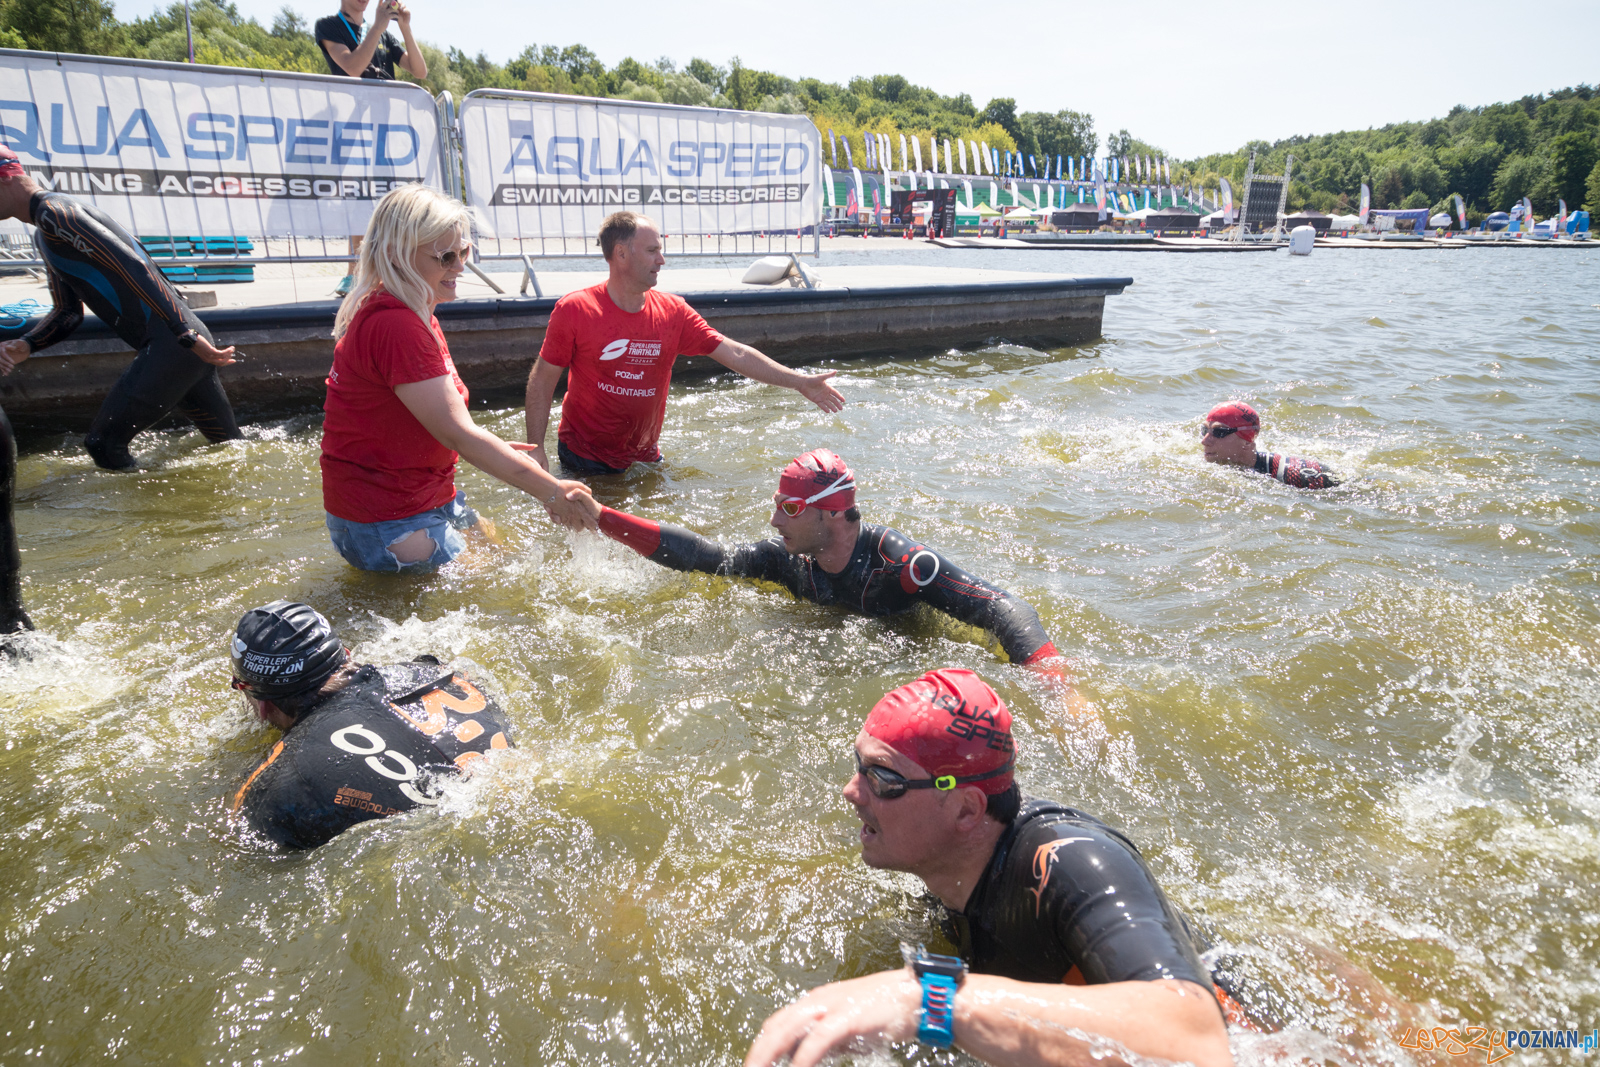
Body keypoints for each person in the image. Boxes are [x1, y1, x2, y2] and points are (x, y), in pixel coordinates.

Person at [745, 669, 1240, 1067]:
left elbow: (1196, 1035)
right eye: (858, 765)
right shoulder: (945, 871)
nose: (852, 792)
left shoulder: (1072, 864)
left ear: (966, 810)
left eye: (883, 778)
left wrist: (930, 1000)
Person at [321, 183, 598, 573]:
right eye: (445, 256)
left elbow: (430, 423)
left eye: (463, 250)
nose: (460, 267)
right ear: (395, 256)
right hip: (385, 518)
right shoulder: (396, 325)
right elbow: (458, 433)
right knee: (497, 590)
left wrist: (496, 448)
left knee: (505, 560)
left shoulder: (417, 314)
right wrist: (553, 494)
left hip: (424, 497)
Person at [596, 448, 1061, 670]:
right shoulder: (785, 559)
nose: (775, 520)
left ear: (835, 514)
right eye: (778, 504)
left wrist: (1054, 679)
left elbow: (1001, 607)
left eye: (791, 509)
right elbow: (704, 555)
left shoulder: (901, 566)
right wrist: (601, 516)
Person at [523, 212, 845, 476]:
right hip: (585, 459)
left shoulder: (673, 311)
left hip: (644, 459)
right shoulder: (576, 309)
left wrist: (799, 382)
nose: (661, 260)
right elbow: (542, 379)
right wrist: (536, 447)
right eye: (652, 251)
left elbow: (733, 352)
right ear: (621, 254)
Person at [0, 145, 243, 471]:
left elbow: (134, 265)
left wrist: (182, 333)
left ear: (5, 178)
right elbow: (68, 313)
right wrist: (26, 345)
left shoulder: (56, 213)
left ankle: (156, 520)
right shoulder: (44, 233)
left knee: (103, 444)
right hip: (176, 343)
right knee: (230, 448)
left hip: (175, 342)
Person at [229, 600, 515, 849]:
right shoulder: (433, 671)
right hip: (508, 797)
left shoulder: (276, 783)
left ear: (262, 703)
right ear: (347, 654)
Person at [315, 0, 428, 296]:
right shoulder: (328, 26)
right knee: (355, 196)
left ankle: (392, 269)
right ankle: (354, 271)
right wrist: (378, 25)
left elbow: (419, 71)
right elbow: (352, 67)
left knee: (389, 199)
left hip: (384, 127)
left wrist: (404, 27)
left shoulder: (384, 33)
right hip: (350, 123)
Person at [1201, 401, 1340, 489]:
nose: (1204, 441)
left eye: (1219, 432)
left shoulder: (1294, 476)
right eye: (1205, 430)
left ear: (1246, 441)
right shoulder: (1217, 461)